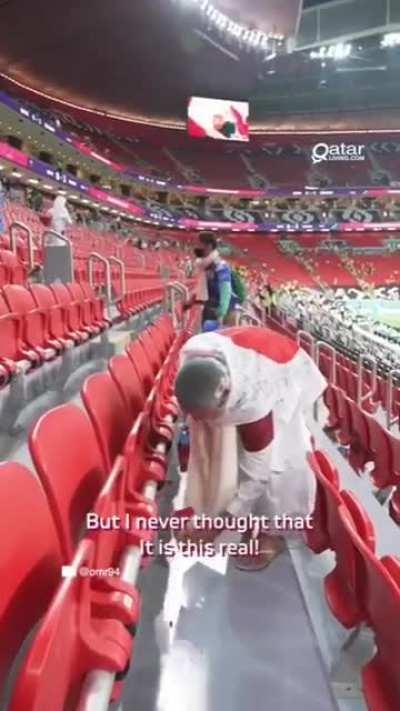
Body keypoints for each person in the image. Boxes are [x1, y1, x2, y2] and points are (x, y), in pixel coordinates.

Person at [174, 326, 326, 571]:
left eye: (206, 415)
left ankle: (273, 533)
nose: (201, 421)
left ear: (226, 400)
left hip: (284, 367)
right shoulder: (191, 367)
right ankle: (235, 518)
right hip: (240, 351)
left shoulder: (254, 404)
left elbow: (256, 475)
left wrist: (220, 524)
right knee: (227, 449)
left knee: (279, 461)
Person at [199, 232, 240, 326]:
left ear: (209, 246)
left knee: (226, 334)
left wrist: (222, 311)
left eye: (201, 245)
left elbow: (225, 289)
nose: (199, 248)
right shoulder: (205, 263)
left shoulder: (221, 265)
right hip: (211, 304)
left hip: (227, 307)